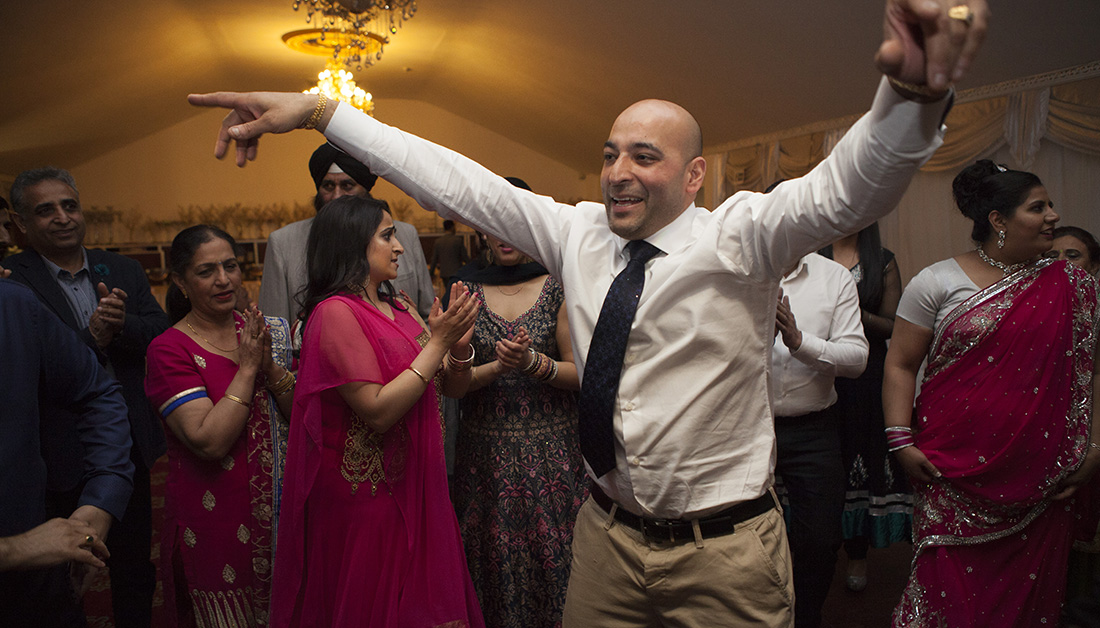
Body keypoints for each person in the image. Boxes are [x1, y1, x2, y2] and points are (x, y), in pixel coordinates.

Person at [188, 3, 989, 622]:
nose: (617, 172)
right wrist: (324, 114)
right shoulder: (576, 233)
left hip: (726, 554)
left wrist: (912, 96)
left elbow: (848, 186)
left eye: (645, 156)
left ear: (696, 174)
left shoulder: (743, 236)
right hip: (605, 538)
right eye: (609, 153)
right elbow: (458, 182)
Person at [885, 160, 1099, 626]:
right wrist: (900, 439)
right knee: (947, 586)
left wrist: (1093, 447)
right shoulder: (936, 281)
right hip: (949, 469)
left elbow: (1092, 372)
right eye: (1037, 207)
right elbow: (901, 364)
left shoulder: (1073, 286)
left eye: (1051, 205)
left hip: (1041, 479)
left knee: (1029, 594)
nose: (1053, 216)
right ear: (998, 220)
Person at [270, 195, 483, 627]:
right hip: (367, 500)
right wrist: (439, 343)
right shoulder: (334, 314)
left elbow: (451, 388)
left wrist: (458, 350)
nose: (400, 246)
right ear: (352, 245)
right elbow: (378, 410)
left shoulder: (400, 305)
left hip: (419, 483)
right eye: (387, 236)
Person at [3, 166, 169, 628]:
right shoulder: (12, 282)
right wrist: (91, 336)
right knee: (59, 574)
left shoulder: (120, 268)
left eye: (69, 205)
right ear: (20, 224)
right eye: (45, 210)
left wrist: (121, 327)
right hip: (51, 452)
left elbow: (160, 334)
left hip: (125, 445)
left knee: (134, 566)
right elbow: (30, 367)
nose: (62, 217)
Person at [449, 177, 585, 628]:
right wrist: (464, 350)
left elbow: (580, 374)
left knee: (560, 571)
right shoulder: (464, 288)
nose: (504, 235)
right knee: (492, 573)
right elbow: (453, 387)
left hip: (553, 462)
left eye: (515, 223)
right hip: (484, 465)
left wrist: (532, 363)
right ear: (482, 230)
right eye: (494, 224)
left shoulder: (560, 283)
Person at [145, 225, 295, 627]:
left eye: (230, 266)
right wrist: (248, 369)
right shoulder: (169, 349)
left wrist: (272, 367)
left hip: (283, 513)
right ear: (180, 281)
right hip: (215, 520)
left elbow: (302, 417)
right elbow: (208, 441)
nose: (224, 279)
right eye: (206, 271)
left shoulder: (268, 332)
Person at [0, 279, 133, 627]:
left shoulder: (14, 305)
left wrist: (100, 502)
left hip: (39, 584)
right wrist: (12, 551)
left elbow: (97, 393)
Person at [771, 252, 867, 628]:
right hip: (745, 423)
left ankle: (806, 617)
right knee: (737, 533)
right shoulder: (734, 269)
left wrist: (799, 341)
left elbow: (857, 358)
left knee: (821, 539)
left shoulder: (834, 278)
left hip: (814, 428)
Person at [818, 223, 909, 592]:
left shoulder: (881, 261)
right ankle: (814, 550)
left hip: (866, 374)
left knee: (858, 457)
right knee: (822, 461)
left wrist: (851, 309)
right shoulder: (812, 253)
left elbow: (892, 326)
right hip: (816, 367)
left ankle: (857, 552)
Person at [259, 143, 434, 322]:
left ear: (366, 190)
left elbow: (428, 314)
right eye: (327, 186)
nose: (337, 196)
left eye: (347, 185)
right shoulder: (283, 243)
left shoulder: (404, 235)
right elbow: (274, 330)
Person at [430, 219, 470, 285]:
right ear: (452, 227)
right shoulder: (458, 240)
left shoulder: (438, 242)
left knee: (448, 291)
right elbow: (465, 257)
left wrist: (431, 273)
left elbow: (434, 259)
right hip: (457, 273)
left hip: (444, 273)